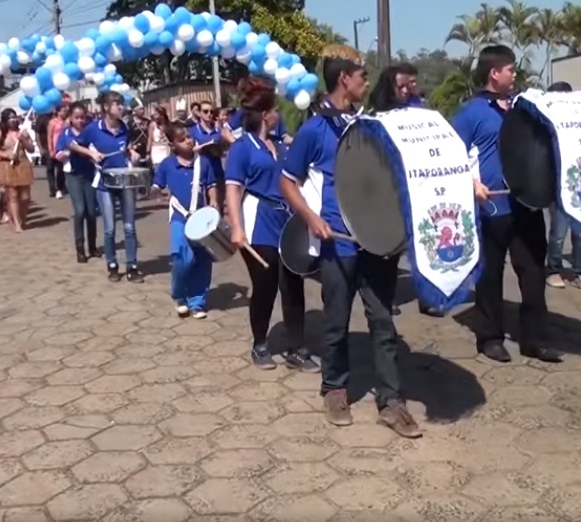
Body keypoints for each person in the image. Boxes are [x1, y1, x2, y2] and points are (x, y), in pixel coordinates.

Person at [280, 44, 419, 437]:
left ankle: (391, 401)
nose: (367, 83)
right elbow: (286, 182)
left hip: (376, 243)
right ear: (344, 79)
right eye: (362, 77)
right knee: (336, 323)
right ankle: (335, 388)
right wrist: (311, 218)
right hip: (336, 243)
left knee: (382, 322)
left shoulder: (372, 125)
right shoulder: (314, 129)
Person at [452, 45, 561, 364]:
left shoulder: (525, 108)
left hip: (526, 203)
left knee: (533, 272)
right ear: (493, 73)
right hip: (491, 208)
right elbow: (453, 156)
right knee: (490, 274)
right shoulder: (470, 112)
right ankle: (489, 337)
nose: (515, 74)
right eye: (509, 69)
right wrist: (472, 185)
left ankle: (533, 338)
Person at [227, 77, 316, 373]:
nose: (279, 114)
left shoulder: (282, 145)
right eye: (276, 110)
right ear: (266, 115)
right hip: (258, 221)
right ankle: (260, 344)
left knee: (293, 285)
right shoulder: (242, 148)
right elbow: (234, 190)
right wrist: (236, 228)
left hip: (286, 222)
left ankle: (297, 348)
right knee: (265, 287)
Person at [368, 63, 445, 318]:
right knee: (388, 251)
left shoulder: (418, 108)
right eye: (401, 85)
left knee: (421, 244)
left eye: (410, 84)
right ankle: (385, 298)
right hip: (389, 188)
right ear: (390, 85)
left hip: (418, 187)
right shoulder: (377, 113)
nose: (406, 90)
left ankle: (427, 297)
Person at [70, 91, 145, 283]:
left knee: (129, 227)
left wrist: (132, 154)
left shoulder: (124, 128)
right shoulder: (93, 129)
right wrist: (90, 153)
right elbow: (73, 145)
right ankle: (112, 265)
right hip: (105, 184)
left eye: (121, 104)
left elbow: (125, 149)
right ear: (106, 107)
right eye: (116, 104)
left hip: (125, 182)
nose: (121, 107)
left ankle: (132, 266)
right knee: (110, 228)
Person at [152, 122, 217, 319]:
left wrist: (213, 201)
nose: (188, 141)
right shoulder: (167, 164)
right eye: (182, 140)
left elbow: (211, 185)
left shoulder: (203, 163)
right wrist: (155, 192)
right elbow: (157, 186)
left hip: (201, 217)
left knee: (203, 259)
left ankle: (197, 302)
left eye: (188, 137)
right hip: (179, 217)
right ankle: (180, 294)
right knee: (182, 257)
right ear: (173, 144)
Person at [543, 81, 581, 293]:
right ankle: (553, 270)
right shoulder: (545, 124)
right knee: (558, 232)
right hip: (557, 187)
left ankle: (579, 273)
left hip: (580, 186)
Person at [55, 102, 99, 263]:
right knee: (80, 211)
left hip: (89, 175)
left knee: (92, 212)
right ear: (71, 118)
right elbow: (58, 153)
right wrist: (64, 153)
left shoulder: (90, 132)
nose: (80, 120)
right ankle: (80, 249)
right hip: (73, 175)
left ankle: (93, 247)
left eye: (83, 117)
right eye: (77, 118)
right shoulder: (66, 134)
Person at [0, 108, 35, 232]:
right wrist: (7, 154)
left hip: (23, 164)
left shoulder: (23, 132)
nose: (13, 120)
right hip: (7, 166)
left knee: (25, 197)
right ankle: (16, 223)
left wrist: (24, 140)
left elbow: (31, 149)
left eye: (15, 117)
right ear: (5, 120)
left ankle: (19, 217)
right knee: (13, 195)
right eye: (10, 117)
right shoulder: (0, 133)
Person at [191, 99, 225, 198]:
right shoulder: (193, 131)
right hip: (201, 172)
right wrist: (206, 145)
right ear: (199, 113)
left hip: (217, 171)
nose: (209, 114)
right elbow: (190, 149)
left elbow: (224, 149)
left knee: (218, 208)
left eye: (211, 112)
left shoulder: (218, 131)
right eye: (205, 111)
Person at [46, 105, 69, 199]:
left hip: (63, 149)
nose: (64, 113)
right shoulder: (52, 122)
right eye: (63, 111)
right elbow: (49, 136)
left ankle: (60, 187)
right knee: (51, 169)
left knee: (60, 170)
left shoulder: (67, 122)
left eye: (65, 111)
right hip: (54, 147)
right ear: (58, 112)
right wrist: (50, 149)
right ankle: (53, 189)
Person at [146, 106, 170, 171]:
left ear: (162, 115)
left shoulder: (168, 125)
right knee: (157, 169)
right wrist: (148, 152)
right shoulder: (152, 125)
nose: (154, 116)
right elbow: (150, 139)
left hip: (166, 149)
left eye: (156, 114)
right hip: (156, 150)